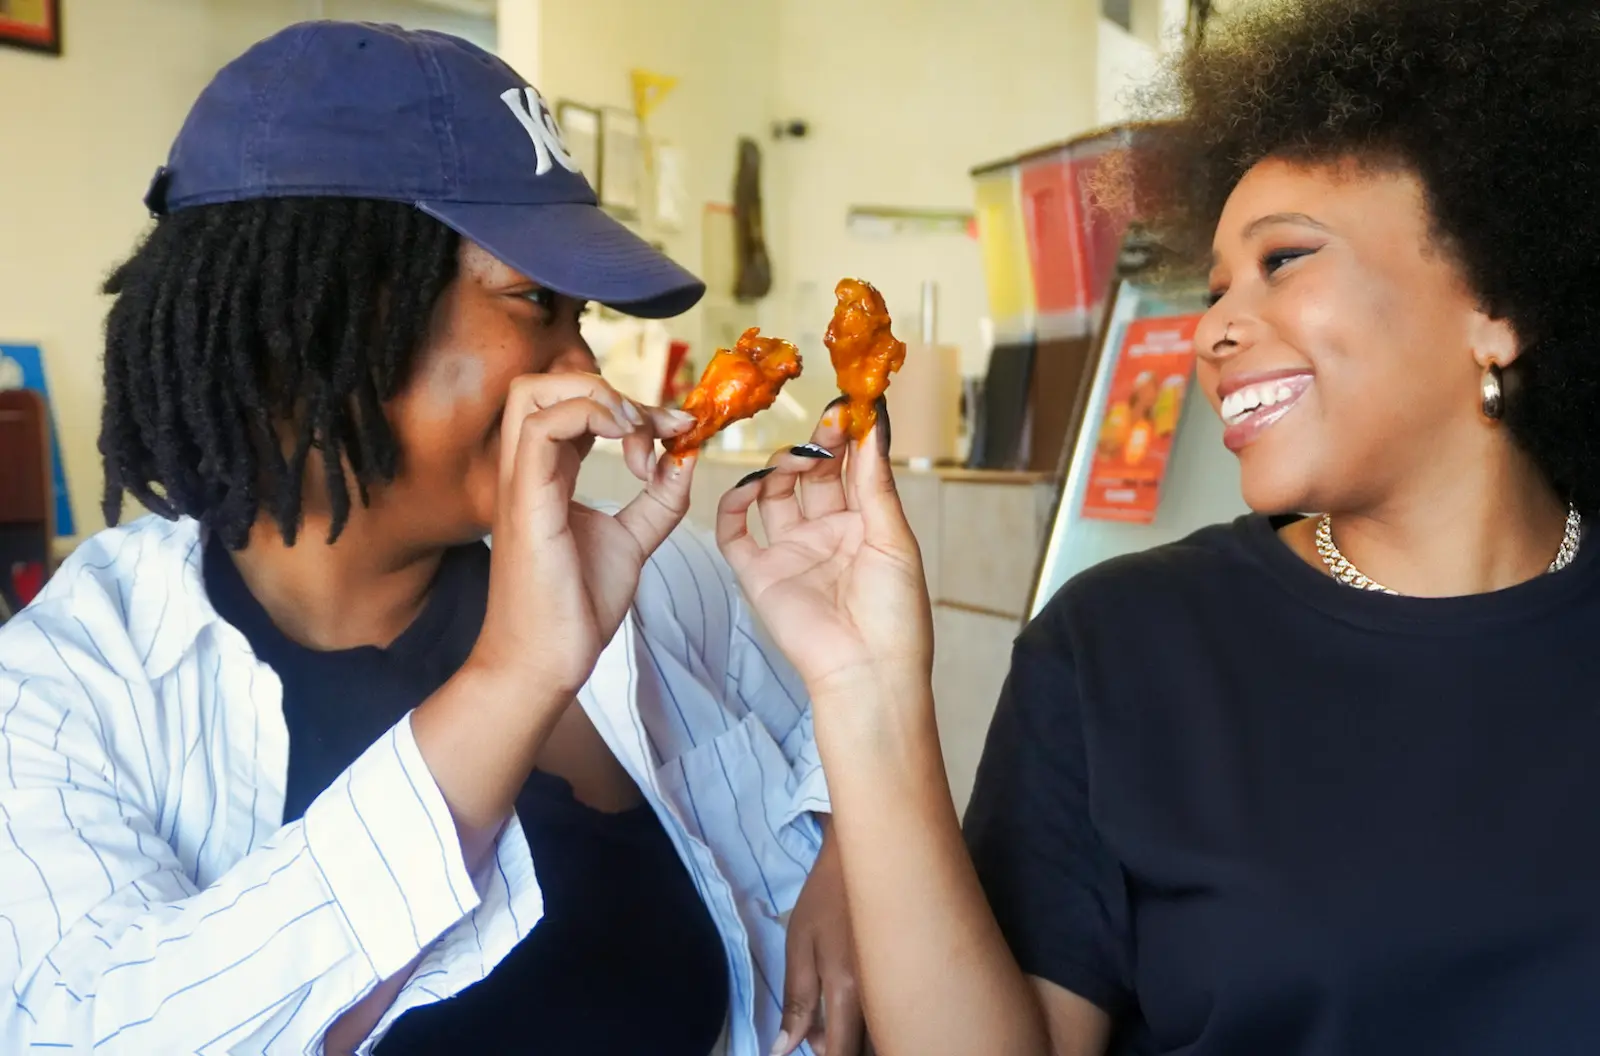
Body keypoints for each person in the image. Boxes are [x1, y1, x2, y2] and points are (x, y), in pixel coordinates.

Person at [710, 0, 1600, 1053]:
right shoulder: (1120, 647)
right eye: (1213, 286)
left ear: (1493, 303)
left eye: (1284, 261)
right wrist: (865, 694)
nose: (1214, 328)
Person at [0, 22, 861, 1056]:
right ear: (307, 325)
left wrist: (855, 858)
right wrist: (510, 682)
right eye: (533, 302)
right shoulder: (64, 686)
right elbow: (94, 1030)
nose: (581, 373)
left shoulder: (656, 582)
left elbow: (829, 756)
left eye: (580, 318)